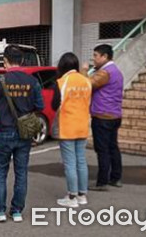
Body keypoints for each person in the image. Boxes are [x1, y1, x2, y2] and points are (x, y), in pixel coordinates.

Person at [0, 45, 44, 223]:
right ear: (22, 61)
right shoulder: (32, 81)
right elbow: (40, 106)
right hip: (24, 133)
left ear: (5, 60)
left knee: (0, 172)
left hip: (3, 131)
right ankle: (17, 211)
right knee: (21, 172)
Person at [51, 52, 92, 207]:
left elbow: (55, 104)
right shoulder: (86, 81)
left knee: (70, 162)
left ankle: (72, 197)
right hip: (82, 126)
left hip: (67, 126)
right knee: (81, 161)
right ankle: (82, 195)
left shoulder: (61, 82)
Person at [82, 44, 124, 191]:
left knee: (102, 150)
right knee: (113, 147)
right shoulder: (116, 71)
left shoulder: (105, 72)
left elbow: (87, 85)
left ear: (105, 56)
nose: (94, 59)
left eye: (95, 55)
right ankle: (116, 177)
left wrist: (85, 71)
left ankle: (102, 182)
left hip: (102, 116)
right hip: (115, 115)